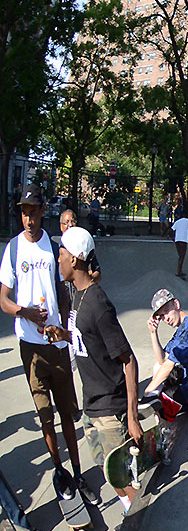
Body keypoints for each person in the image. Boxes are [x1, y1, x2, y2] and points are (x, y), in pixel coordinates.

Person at [0, 185, 91, 502]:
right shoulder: (12, 250)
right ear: (20, 213)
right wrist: (22, 311)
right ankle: (58, 469)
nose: (28, 217)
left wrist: (67, 332)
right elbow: (3, 299)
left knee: (68, 414)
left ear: (42, 211)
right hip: (30, 347)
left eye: (33, 211)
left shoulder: (54, 250)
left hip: (57, 346)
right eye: (24, 211)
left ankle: (78, 472)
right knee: (45, 415)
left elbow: (69, 295)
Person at [45, 227, 142, 510]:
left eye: (61, 253)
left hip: (111, 410)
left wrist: (132, 417)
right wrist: (63, 334)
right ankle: (129, 516)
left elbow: (129, 359)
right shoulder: (77, 295)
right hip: (92, 407)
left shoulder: (98, 305)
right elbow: (84, 337)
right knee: (108, 474)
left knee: (123, 477)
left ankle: (141, 525)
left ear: (74, 259)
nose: (58, 258)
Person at [172, 208, 188, 278]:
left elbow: (172, 229)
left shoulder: (177, 221)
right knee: (182, 256)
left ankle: (180, 270)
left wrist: (172, 238)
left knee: (180, 255)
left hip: (177, 240)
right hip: (183, 240)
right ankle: (178, 271)